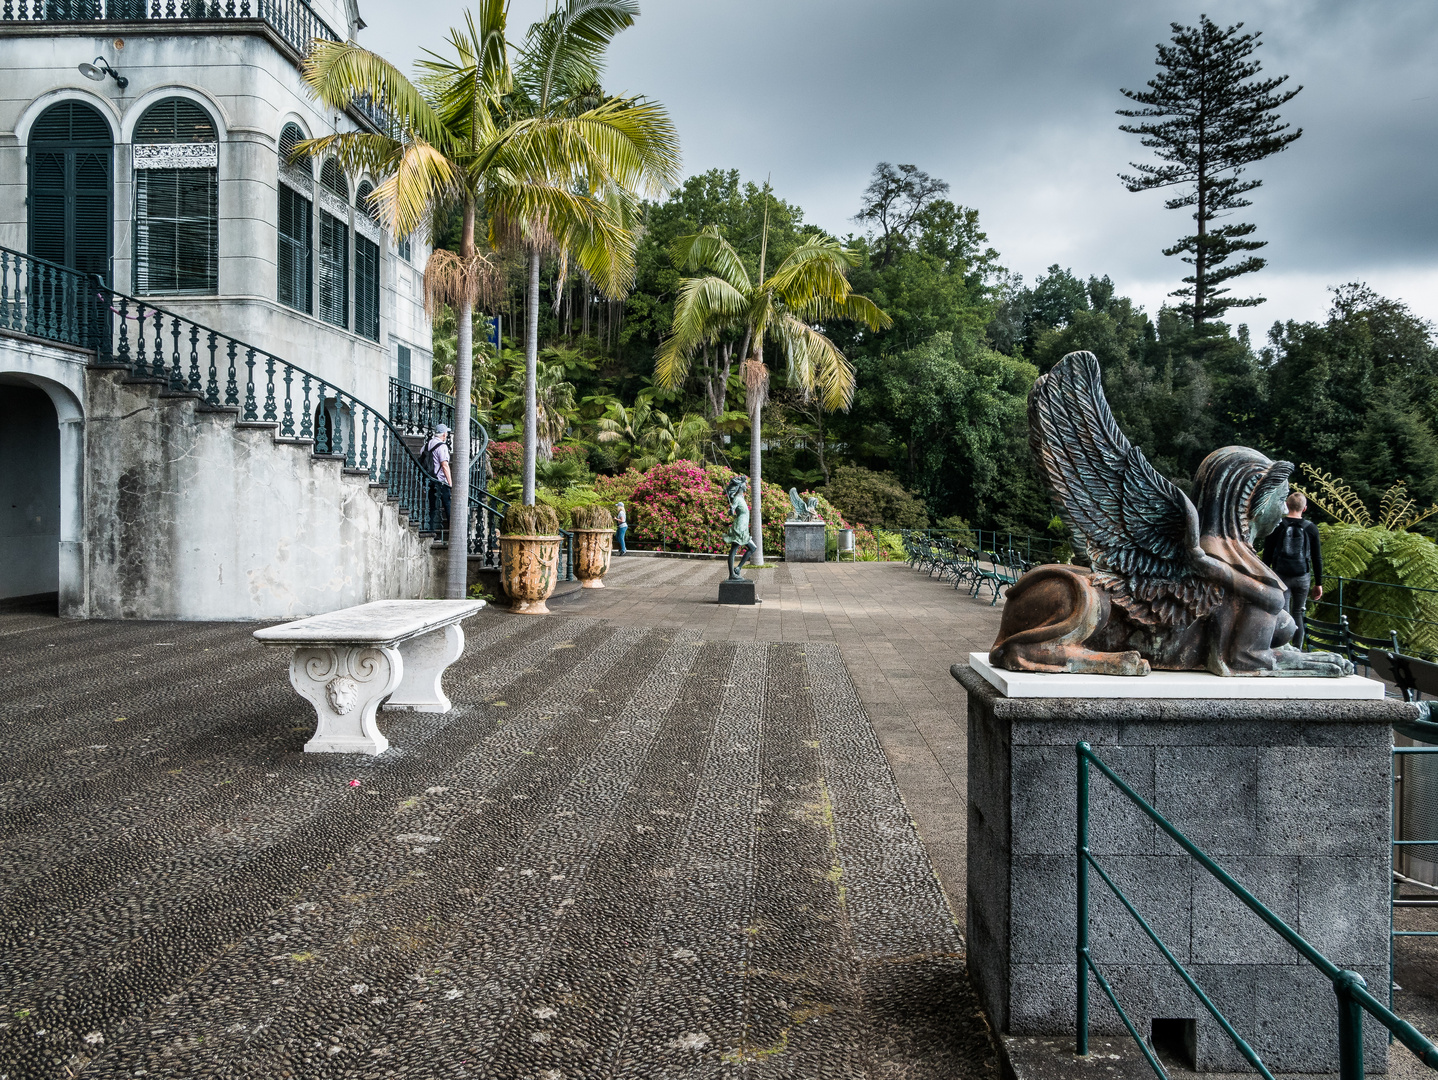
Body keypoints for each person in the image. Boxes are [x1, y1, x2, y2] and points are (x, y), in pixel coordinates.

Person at [1263, 491, 1323, 650]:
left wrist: (1264, 576)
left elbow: (1267, 553)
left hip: (1280, 575)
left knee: (1284, 612)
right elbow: (1317, 557)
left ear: (1286, 505)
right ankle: (1298, 648)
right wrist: (1319, 583)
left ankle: (1283, 647)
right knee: (1299, 612)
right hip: (1302, 576)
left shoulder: (1278, 526)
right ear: (1304, 508)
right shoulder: (1311, 528)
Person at [422, 424, 452, 535]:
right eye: (446, 433)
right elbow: (444, 465)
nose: (447, 434)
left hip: (430, 480)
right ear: (444, 434)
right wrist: (450, 482)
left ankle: (430, 531)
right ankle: (452, 531)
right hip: (440, 481)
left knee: (433, 507)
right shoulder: (442, 447)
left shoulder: (427, 445)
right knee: (448, 505)